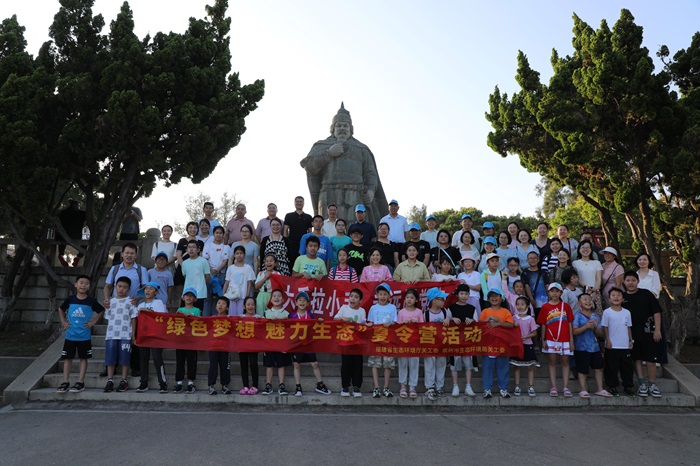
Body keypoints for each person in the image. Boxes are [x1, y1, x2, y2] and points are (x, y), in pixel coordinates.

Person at [300, 102, 389, 227]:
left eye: (345, 126)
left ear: (351, 129)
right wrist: (329, 153)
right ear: (333, 128)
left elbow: (371, 173)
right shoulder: (321, 146)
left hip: (356, 195)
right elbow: (309, 166)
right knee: (328, 229)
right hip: (328, 194)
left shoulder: (362, 148)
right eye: (339, 125)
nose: (342, 128)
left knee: (356, 231)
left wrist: (371, 190)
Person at [103, 242, 148, 377]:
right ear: (122, 254)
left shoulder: (141, 270)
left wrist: (138, 298)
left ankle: (135, 367)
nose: (129, 255)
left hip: (133, 308)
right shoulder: (115, 269)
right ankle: (110, 366)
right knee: (114, 337)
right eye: (127, 253)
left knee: (133, 337)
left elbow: (146, 288)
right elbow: (107, 287)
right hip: (116, 307)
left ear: (136, 255)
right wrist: (106, 299)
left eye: (132, 253)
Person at [56, 275, 104, 393]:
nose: (83, 285)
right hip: (70, 335)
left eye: (86, 283)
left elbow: (101, 310)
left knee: (83, 358)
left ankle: (80, 382)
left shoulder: (91, 301)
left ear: (89, 287)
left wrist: (93, 322)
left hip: (84, 336)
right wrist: (63, 322)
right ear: (76, 284)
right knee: (68, 358)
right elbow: (61, 309)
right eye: (81, 283)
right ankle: (65, 381)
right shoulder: (70, 299)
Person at [623, 271, 665, 398]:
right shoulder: (622, 297)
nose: (631, 283)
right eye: (628, 280)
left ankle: (652, 384)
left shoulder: (646, 294)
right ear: (624, 282)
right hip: (632, 334)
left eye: (633, 280)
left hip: (649, 332)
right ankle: (642, 384)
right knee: (637, 358)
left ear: (638, 282)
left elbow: (656, 312)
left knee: (651, 359)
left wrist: (657, 330)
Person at [289, 292, 332, 396]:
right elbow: (287, 330)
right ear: (296, 303)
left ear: (308, 303)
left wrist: (319, 322)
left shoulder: (310, 315)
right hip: (297, 345)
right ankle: (298, 387)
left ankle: (320, 385)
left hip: (308, 344)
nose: (302, 302)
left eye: (304, 300)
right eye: (300, 300)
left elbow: (314, 326)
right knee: (297, 365)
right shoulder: (292, 315)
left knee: (315, 364)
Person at [537, 282, 575, 398]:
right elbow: (543, 324)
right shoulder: (545, 307)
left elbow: (569, 324)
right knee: (552, 362)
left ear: (561, 293)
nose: (554, 293)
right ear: (548, 292)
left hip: (565, 338)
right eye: (552, 291)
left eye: (557, 291)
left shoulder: (566, 306)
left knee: (565, 361)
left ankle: (566, 387)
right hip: (551, 338)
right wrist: (543, 339)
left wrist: (571, 340)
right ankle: (553, 386)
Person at [572, 293, 612, 398]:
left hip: (595, 347)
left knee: (599, 367)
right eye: (584, 299)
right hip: (581, 347)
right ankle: (583, 389)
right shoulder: (577, 316)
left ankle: (600, 389)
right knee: (582, 369)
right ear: (579, 303)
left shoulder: (595, 316)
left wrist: (596, 327)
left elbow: (600, 334)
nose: (588, 301)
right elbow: (574, 331)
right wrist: (585, 327)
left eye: (589, 299)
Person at [103, 276, 139, 393]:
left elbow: (134, 318)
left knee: (125, 359)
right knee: (110, 358)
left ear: (128, 289)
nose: (121, 289)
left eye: (124, 287)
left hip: (125, 335)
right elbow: (108, 318)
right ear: (115, 287)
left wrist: (133, 335)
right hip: (111, 335)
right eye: (119, 286)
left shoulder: (131, 302)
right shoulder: (110, 302)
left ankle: (124, 380)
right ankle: (110, 380)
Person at [423, 287, 458, 400]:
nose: (444, 301)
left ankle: (439, 387)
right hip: (430, 344)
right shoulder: (426, 314)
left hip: (442, 344)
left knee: (441, 365)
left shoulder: (445, 312)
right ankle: (430, 387)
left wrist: (450, 320)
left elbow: (451, 321)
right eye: (442, 299)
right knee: (430, 365)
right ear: (434, 300)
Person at [479, 289, 515, 398]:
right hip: (488, 344)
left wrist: (498, 323)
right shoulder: (485, 311)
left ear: (501, 298)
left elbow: (511, 325)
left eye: (496, 296)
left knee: (503, 367)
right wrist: (488, 318)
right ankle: (487, 389)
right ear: (488, 299)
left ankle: (503, 388)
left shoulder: (505, 311)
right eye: (491, 296)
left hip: (502, 344)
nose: (494, 298)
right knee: (487, 367)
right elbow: (479, 324)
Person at [601, 287, 636, 397]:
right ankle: (612, 387)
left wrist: (631, 340)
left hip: (625, 345)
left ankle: (628, 387)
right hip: (612, 346)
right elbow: (605, 328)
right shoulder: (607, 312)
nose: (616, 297)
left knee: (627, 368)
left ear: (623, 299)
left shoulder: (627, 312)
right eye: (613, 295)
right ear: (609, 299)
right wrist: (608, 340)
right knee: (611, 368)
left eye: (618, 295)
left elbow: (629, 327)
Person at [135, 282, 168, 393]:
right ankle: (143, 383)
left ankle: (163, 383)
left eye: (150, 289)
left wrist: (147, 311)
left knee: (157, 359)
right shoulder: (140, 305)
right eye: (146, 289)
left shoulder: (159, 303)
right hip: (143, 335)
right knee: (143, 359)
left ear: (156, 292)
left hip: (156, 336)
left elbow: (161, 317)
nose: (147, 291)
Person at [367, 283, 397, 398]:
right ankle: (376, 388)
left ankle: (386, 387)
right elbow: (370, 322)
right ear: (377, 295)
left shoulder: (392, 307)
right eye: (380, 294)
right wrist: (369, 325)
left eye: (385, 294)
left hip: (388, 340)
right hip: (376, 339)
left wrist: (391, 323)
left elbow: (395, 322)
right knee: (375, 364)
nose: (383, 296)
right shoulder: (373, 308)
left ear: (389, 296)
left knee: (387, 364)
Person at [335, 288, 367, 397]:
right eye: (351, 296)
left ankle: (357, 387)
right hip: (345, 342)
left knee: (358, 364)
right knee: (346, 364)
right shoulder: (344, 308)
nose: (353, 299)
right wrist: (342, 318)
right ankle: (345, 386)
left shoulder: (362, 311)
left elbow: (364, 325)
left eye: (356, 297)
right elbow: (335, 319)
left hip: (358, 343)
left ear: (360, 301)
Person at [448, 284, 479, 397]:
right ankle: (455, 386)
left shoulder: (472, 308)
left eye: (466, 294)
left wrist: (472, 321)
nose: (464, 296)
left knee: (468, 363)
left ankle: (468, 386)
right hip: (455, 339)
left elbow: (477, 323)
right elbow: (446, 321)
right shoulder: (451, 307)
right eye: (461, 293)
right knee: (455, 363)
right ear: (457, 295)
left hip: (467, 340)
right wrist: (452, 319)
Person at [262, 289, 292, 395]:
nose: (276, 298)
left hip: (281, 344)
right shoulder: (266, 313)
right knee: (269, 365)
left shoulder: (287, 314)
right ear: (271, 299)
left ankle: (281, 385)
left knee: (281, 365)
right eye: (274, 296)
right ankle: (268, 385)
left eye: (279, 296)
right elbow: (262, 329)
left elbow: (289, 330)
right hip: (269, 344)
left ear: (283, 300)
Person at [173, 288, 201, 394]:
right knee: (179, 361)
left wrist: (192, 317)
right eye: (187, 295)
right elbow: (173, 322)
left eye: (191, 296)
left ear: (195, 299)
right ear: (183, 298)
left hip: (192, 341)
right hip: (180, 340)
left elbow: (200, 323)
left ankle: (190, 383)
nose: (189, 297)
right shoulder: (180, 309)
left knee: (191, 361)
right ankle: (179, 383)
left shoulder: (197, 310)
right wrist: (177, 315)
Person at [397, 288, 423, 399]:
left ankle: (412, 387)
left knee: (414, 365)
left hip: (414, 343)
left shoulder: (419, 312)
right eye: (407, 297)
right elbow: (397, 327)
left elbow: (423, 327)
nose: (409, 299)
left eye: (412, 298)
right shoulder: (401, 312)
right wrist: (403, 322)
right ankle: (403, 387)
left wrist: (416, 323)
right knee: (402, 364)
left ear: (416, 300)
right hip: (403, 343)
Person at [510, 296, 539, 397]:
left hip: (528, 344)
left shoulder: (530, 319)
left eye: (522, 304)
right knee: (517, 366)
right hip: (517, 345)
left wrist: (526, 336)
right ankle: (517, 386)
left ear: (527, 306)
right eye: (518, 304)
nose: (520, 306)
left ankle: (531, 387)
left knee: (530, 367)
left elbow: (534, 332)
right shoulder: (513, 318)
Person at [202, 225, 230, 316]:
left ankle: (216, 318)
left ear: (223, 235)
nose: (218, 235)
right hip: (209, 274)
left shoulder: (226, 247)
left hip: (221, 274)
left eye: (220, 233)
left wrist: (218, 269)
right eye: (216, 233)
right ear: (213, 234)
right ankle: (206, 319)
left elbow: (225, 260)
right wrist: (211, 269)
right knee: (207, 298)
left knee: (219, 298)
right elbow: (205, 258)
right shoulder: (208, 245)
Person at [207, 296, 232, 395]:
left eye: (223, 304)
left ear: (227, 307)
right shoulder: (212, 318)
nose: (220, 305)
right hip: (213, 346)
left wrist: (231, 320)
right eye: (218, 303)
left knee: (225, 366)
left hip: (226, 347)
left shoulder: (230, 319)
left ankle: (225, 386)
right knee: (213, 366)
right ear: (216, 306)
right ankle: (211, 386)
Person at [223, 245, 255, 315]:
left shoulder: (248, 268)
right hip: (231, 295)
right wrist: (223, 295)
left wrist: (247, 296)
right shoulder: (231, 268)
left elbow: (249, 283)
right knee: (232, 315)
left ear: (244, 255)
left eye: (241, 253)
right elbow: (227, 282)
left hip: (242, 296)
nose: (239, 255)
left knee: (241, 316)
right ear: (234, 255)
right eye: (237, 253)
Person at [573, 240, 603, 313]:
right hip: (580, 291)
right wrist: (586, 287)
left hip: (595, 292)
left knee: (596, 314)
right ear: (579, 249)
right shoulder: (575, 263)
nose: (585, 249)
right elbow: (576, 278)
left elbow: (599, 279)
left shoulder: (596, 263)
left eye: (587, 247)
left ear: (591, 250)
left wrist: (595, 291)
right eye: (583, 247)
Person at [181, 239, 211, 311]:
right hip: (187, 293)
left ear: (198, 250)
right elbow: (186, 277)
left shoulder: (203, 261)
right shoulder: (184, 263)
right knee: (184, 314)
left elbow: (207, 277)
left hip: (199, 294)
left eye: (193, 247)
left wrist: (201, 285)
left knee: (197, 314)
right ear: (186, 250)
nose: (191, 249)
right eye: (189, 247)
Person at [239, 297, 261, 394]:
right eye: (248, 304)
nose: (250, 306)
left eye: (252, 304)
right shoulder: (240, 317)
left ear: (255, 306)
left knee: (253, 364)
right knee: (243, 365)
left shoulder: (258, 317)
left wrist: (260, 321)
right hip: (242, 345)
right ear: (244, 306)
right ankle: (245, 386)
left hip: (254, 346)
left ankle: (255, 386)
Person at [283, 196, 313, 266]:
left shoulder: (308, 217)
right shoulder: (289, 216)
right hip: (292, 244)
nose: (299, 203)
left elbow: (310, 232)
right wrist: (285, 242)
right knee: (291, 263)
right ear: (294, 203)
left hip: (304, 244)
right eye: (297, 201)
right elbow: (285, 230)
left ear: (303, 203)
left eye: (301, 202)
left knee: (303, 263)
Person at [57, 199, 86, 267]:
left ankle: (61, 254)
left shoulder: (63, 213)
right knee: (85, 244)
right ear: (76, 205)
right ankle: (78, 257)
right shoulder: (81, 214)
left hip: (62, 236)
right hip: (76, 236)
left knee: (62, 241)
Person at [522, 251, 549, 317]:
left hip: (544, 300)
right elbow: (526, 286)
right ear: (527, 260)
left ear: (538, 260)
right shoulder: (525, 273)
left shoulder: (543, 272)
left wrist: (549, 298)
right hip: (532, 302)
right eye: (531, 258)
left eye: (534, 258)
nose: (533, 260)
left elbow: (547, 285)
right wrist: (531, 299)